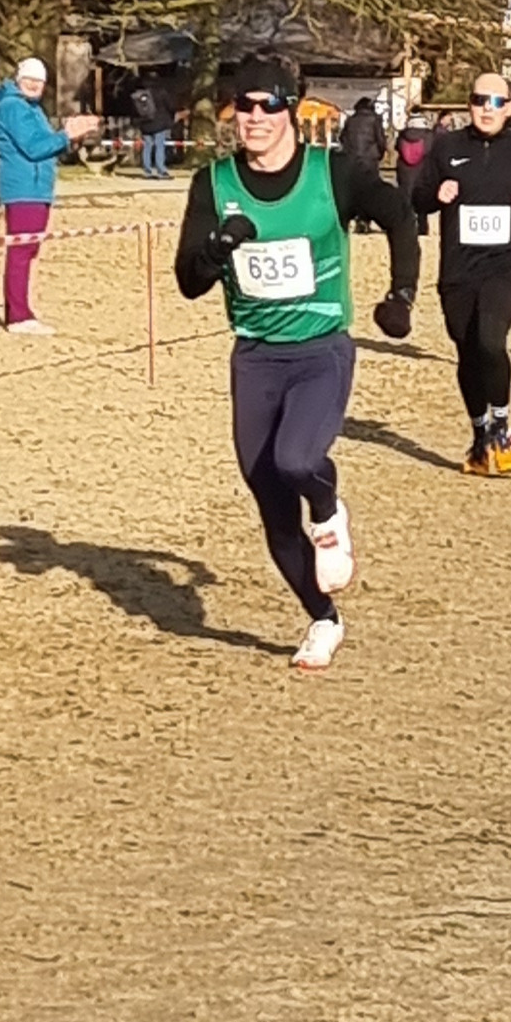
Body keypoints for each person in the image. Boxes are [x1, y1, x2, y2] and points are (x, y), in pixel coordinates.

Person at [173, 51, 420, 670]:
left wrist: (401, 295)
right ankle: (323, 618)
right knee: (270, 500)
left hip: (320, 350)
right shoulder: (214, 184)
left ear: (292, 109)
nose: (254, 117)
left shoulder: (331, 172)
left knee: (297, 460)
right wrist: (216, 248)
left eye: (269, 105)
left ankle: (329, 509)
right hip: (255, 357)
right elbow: (188, 282)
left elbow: (399, 214)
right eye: (244, 105)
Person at [412, 70, 511, 474]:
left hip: (506, 265)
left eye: (495, 102)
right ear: (469, 105)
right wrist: (436, 195)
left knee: (490, 339)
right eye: (479, 101)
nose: (486, 109)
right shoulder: (448, 147)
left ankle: (502, 427)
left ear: (509, 107)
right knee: (468, 350)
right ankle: (480, 436)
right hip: (459, 269)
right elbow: (417, 197)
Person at [0, 54, 99, 332]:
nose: (34, 85)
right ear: (18, 79)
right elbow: (34, 147)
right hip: (23, 188)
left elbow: (46, 144)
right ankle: (17, 315)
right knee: (20, 251)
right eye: (28, 79)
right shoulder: (13, 107)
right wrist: (66, 134)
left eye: (39, 81)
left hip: (38, 188)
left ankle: (22, 310)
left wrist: (70, 138)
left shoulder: (33, 109)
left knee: (28, 250)